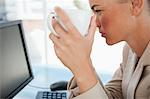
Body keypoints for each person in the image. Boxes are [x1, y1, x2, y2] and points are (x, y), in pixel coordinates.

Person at [49, 0, 150, 98]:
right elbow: (112, 96)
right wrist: (82, 61)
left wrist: (82, 69)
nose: (96, 23)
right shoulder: (130, 52)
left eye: (98, 11)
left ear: (135, 4)